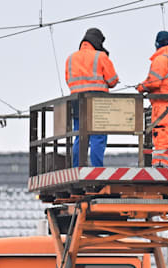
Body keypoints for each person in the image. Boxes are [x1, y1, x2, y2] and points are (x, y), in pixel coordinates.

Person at [65, 28, 119, 167]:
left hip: (77, 100)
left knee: (80, 135)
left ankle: (77, 166)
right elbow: (112, 80)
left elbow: (68, 79)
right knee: (98, 136)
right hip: (97, 100)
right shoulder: (100, 56)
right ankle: (97, 168)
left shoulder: (71, 58)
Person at [137, 31, 168, 167]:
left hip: (162, 105)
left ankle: (160, 164)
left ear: (157, 44)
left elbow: (154, 82)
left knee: (161, 134)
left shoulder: (160, 60)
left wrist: (141, 87)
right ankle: (166, 163)